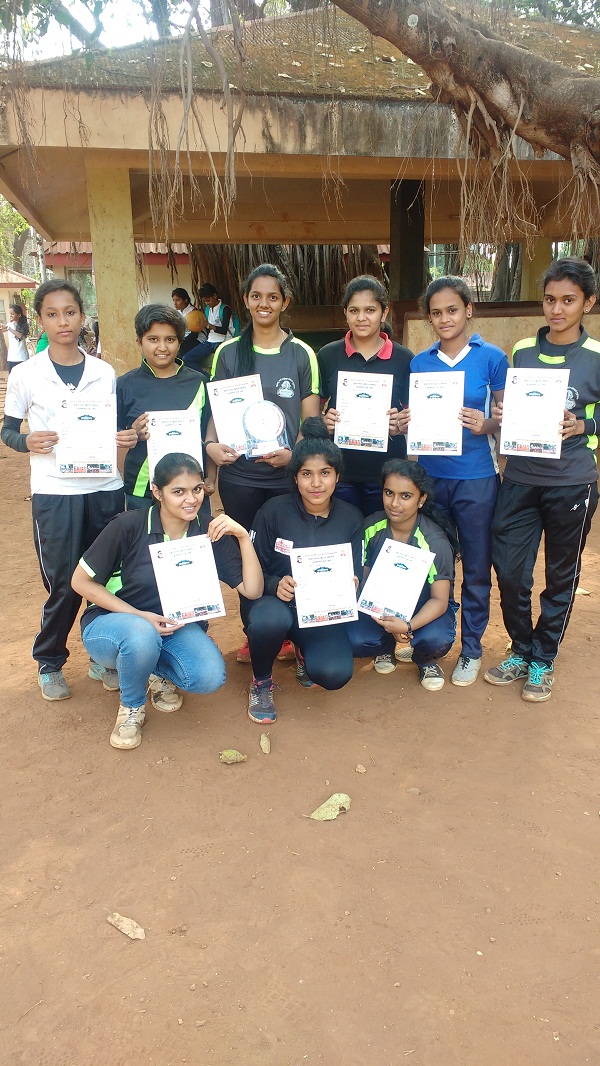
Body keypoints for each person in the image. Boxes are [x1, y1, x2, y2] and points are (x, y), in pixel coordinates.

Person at [71, 453, 264, 749]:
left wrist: (242, 537)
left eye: (197, 489)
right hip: (114, 626)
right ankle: (131, 706)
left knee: (209, 676)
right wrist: (138, 615)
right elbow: (79, 582)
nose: (191, 499)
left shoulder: (209, 530)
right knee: (140, 634)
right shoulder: (128, 526)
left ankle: (150, 668)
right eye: (178, 492)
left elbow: (252, 590)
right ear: (157, 492)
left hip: (174, 626)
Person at [1, 279, 131, 701]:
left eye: (70, 312)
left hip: (104, 487)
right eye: (53, 314)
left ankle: (100, 654)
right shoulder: (25, 374)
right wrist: (26, 442)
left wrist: (122, 440)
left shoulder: (103, 372)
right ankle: (50, 660)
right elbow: (8, 430)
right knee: (62, 581)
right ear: (40, 320)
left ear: (82, 317)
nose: (63, 322)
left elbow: (110, 428)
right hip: (55, 492)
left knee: (106, 577)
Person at [485, 256, 600, 702]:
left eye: (569, 301)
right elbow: (512, 409)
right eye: (550, 299)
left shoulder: (595, 357)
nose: (557, 309)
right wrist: (502, 416)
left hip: (572, 479)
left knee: (561, 574)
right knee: (511, 571)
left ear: (587, 302)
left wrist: (584, 426)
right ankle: (520, 646)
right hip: (520, 476)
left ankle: (542, 658)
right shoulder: (521, 351)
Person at [205, 262, 322, 663]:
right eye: (257, 296)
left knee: (290, 553)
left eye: (273, 296)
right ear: (246, 300)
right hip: (239, 478)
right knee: (245, 552)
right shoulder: (227, 352)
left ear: (284, 301)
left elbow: (310, 420)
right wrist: (211, 447)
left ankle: (296, 638)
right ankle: (255, 633)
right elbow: (216, 413)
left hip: (284, 478)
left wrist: (296, 458)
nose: (264, 303)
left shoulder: (301, 353)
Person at [406, 276, 509, 687]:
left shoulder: (493, 358)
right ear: (428, 318)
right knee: (432, 565)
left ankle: (471, 649)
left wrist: (486, 425)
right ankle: (430, 645)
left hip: (477, 479)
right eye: (436, 312)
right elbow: (413, 417)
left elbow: (508, 418)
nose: (444, 318)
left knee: (478, 567)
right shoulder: (420, 362)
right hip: (432, 480)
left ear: (468, 310)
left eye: (452, 310)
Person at [245, 418, 363, 724]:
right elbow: (251, 567)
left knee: (334, 674)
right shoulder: (273, 511)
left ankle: (303, 652)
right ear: (295, 478)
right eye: (306, 474)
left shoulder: (350, 519)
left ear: (337, 477)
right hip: (275, 604)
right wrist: (274, 584)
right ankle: (261, 680)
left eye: (325, 473)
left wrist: (353, 584)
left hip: (321, 612)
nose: (316, 484)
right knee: (269, 619)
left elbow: (356, 571)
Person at [349, 459, 458, 691]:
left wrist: (407, 627)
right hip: (379, 608)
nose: (394, 503)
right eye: (389, 493)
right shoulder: (371, 527)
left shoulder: (434, 541)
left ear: (422, 499)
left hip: (424, 608)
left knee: (436, 640)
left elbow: (440, 600)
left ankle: (425, 659)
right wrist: (385, 620)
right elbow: (365, 583)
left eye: (405, 496)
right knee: (354, 639)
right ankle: (384, 647)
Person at [318, 275, 413, 516]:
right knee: (344, 537)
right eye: (354, 310)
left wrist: (401, 424)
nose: (361, 318)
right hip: (340, 472)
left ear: (384, 312)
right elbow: (313, 412)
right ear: (345, 313)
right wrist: (324, 421)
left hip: (387, 474)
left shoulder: (404, 358)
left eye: (370, 310)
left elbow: (414, 417)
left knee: (379, 536)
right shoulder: (329, 355)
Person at [117, 304, 210, 511]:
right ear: (139, 341)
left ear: (179, 342)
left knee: (193, 543)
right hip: (142, 490)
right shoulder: (125, 384)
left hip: (190, 491)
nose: (162, 347)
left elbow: (209, 435)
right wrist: (131, 434)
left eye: (170, 339)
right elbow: (114, 434)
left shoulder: (199, 383)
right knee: (142, 542)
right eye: (153, 339)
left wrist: (210, 477)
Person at [183, 282, 240, 372]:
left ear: (214, 296)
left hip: (224, 341)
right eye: (205, 302)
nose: (207, 303)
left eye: (208, 300)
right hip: (210, 341)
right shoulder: (207, 309)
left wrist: (208, 325)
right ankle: (205, 378)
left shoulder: (225, 309)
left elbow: (223, 330)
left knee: (221, 365)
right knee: (187, 358)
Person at [171, 288, 207, 363]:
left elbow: (194, 335)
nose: (175, 303)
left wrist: (180, 343)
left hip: (197, 340)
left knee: (180, 356)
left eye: (178, 300)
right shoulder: (177, 313)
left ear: (185, 300)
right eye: (174, 300)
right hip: (183, 339)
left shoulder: (194, 313)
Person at [1, 303, 29, 372]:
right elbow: (2, 330)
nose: (10, 316)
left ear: (19, 315)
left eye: (12, 314)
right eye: (10, 313)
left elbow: (20, 336)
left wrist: (8, 328)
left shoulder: (23, 325)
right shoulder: (10, 324)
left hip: (21, 357)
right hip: (11, 358)